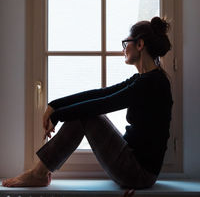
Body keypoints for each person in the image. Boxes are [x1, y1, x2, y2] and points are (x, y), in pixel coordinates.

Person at [2, 16, 173, 190]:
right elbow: (101, 94)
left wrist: (58, 115)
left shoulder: (152, 83)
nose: (123, 49)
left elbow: (103, 104)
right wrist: (55, 105)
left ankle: (38, 174)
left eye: (125, 43)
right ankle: (38, 173)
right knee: (85, 113)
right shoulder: (145, 79)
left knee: (86, 116)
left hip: (138, 174)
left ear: (140, 44)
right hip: (132, 165)